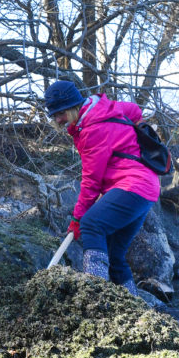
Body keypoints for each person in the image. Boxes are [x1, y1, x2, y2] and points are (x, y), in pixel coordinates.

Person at [44, 79, 160, 294]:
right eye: (54, 115)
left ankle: (95, 292)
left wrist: (77, 219)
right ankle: (132, 306)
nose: (59, 119)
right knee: (114, 254)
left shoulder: (92, 130)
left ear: (74, 106)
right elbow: (134, 110)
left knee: (91, 225)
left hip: (132, 186)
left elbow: (91, 181)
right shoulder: (105, 108)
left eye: (61, 113)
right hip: (146, 187)